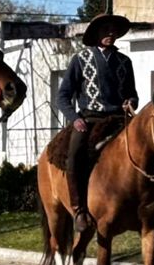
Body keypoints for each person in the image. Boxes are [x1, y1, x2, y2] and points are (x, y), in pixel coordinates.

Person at [56, 13, 138, 233]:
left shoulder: (124, 62)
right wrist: (75, 119)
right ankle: (79, 210)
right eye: (105, 30)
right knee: (74, 156)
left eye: (113, 30)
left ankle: (150, 208)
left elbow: (132, 93)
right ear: (96, 33)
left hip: (119, 118)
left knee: (147, 148)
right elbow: (63, 96)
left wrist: (131, 102)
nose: (110, 33)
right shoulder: (80, 59)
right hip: (90, 119)